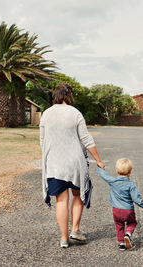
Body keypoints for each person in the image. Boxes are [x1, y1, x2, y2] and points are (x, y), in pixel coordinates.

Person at [40, 83, 105, 248]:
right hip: (75, 163)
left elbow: (43, 141)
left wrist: (48, 159)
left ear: (55, 95)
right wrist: (98, 159)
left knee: (61, 200)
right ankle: (75, 229)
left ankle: (63, 238)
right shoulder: (75, 113)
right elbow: (86, 139)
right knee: (77, 195)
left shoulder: (46, 114)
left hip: (55, 164)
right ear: (69, 96)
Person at [96, 158, 143, 250]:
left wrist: (99, 168)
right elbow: (136, 198)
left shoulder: (113, 181)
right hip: (128, 210)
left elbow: (104, 175)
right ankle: (128, 234)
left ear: (116, 170)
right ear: (131, 171)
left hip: (116, 210)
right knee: (132, 223)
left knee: (119, 225)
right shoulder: (131, 185)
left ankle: (121, 243)